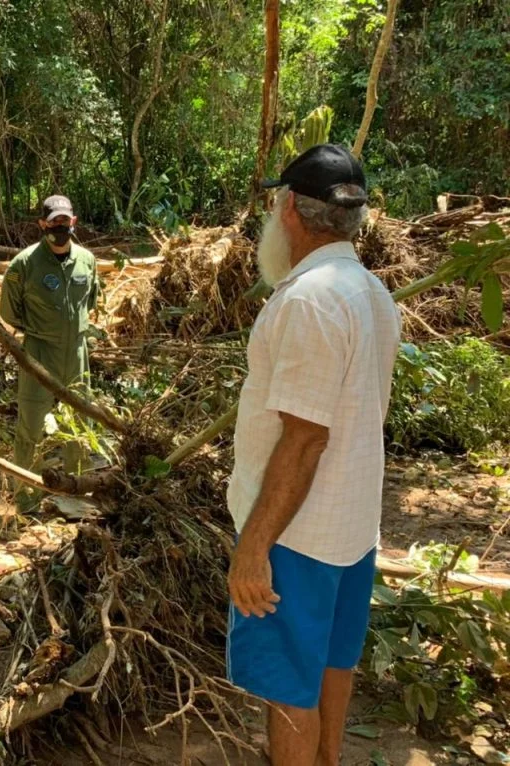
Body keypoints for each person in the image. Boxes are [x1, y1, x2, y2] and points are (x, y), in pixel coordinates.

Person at [226, 144, 402, 766]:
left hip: (295, 537)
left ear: (290, 213)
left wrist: (253, 546)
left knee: (286, 687)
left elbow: (304, 439)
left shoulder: (307, 301)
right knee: (331, 662)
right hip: (349, 528)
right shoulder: (370, 291)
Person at [0, 195, 99, 513]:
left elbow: (89, 302)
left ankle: (76, 495)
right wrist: (40, 332)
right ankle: (26, 499)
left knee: (79, 426)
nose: (59, 227)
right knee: (31, 424)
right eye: (53, 221)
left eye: (64, 221)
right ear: (42, 224)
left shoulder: (87, 260)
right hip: (39, 353)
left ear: (74, 221)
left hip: (77, 353)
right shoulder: (24, 264)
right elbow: (8, 311)